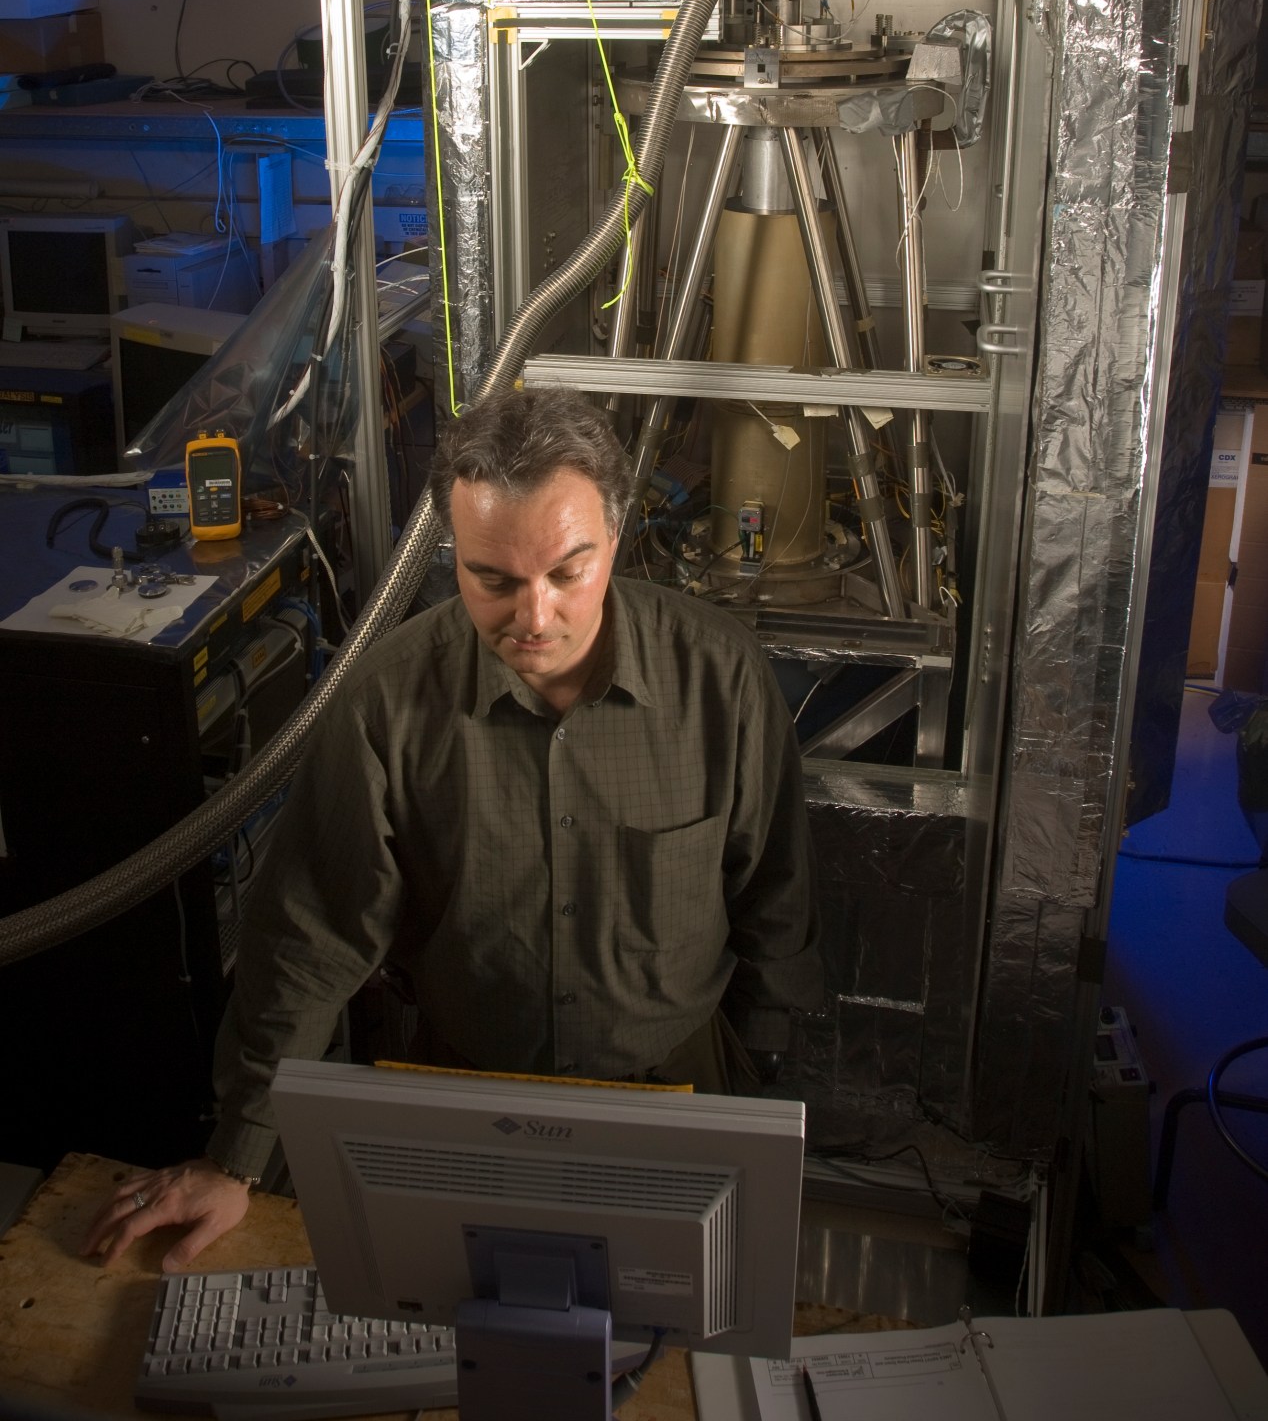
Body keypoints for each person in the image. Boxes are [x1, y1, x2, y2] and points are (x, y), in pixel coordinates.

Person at [84, 387, 822, 1270]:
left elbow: (775, 900)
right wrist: (238, 1157)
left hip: (680, 1090)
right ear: (452, 553)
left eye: (567, 573)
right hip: (463, 1094)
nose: (533, 618)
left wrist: (759, 1095)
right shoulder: (388, 700)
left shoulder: (721, 681)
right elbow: (311, 937)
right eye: (493, 580)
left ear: (616, 541)